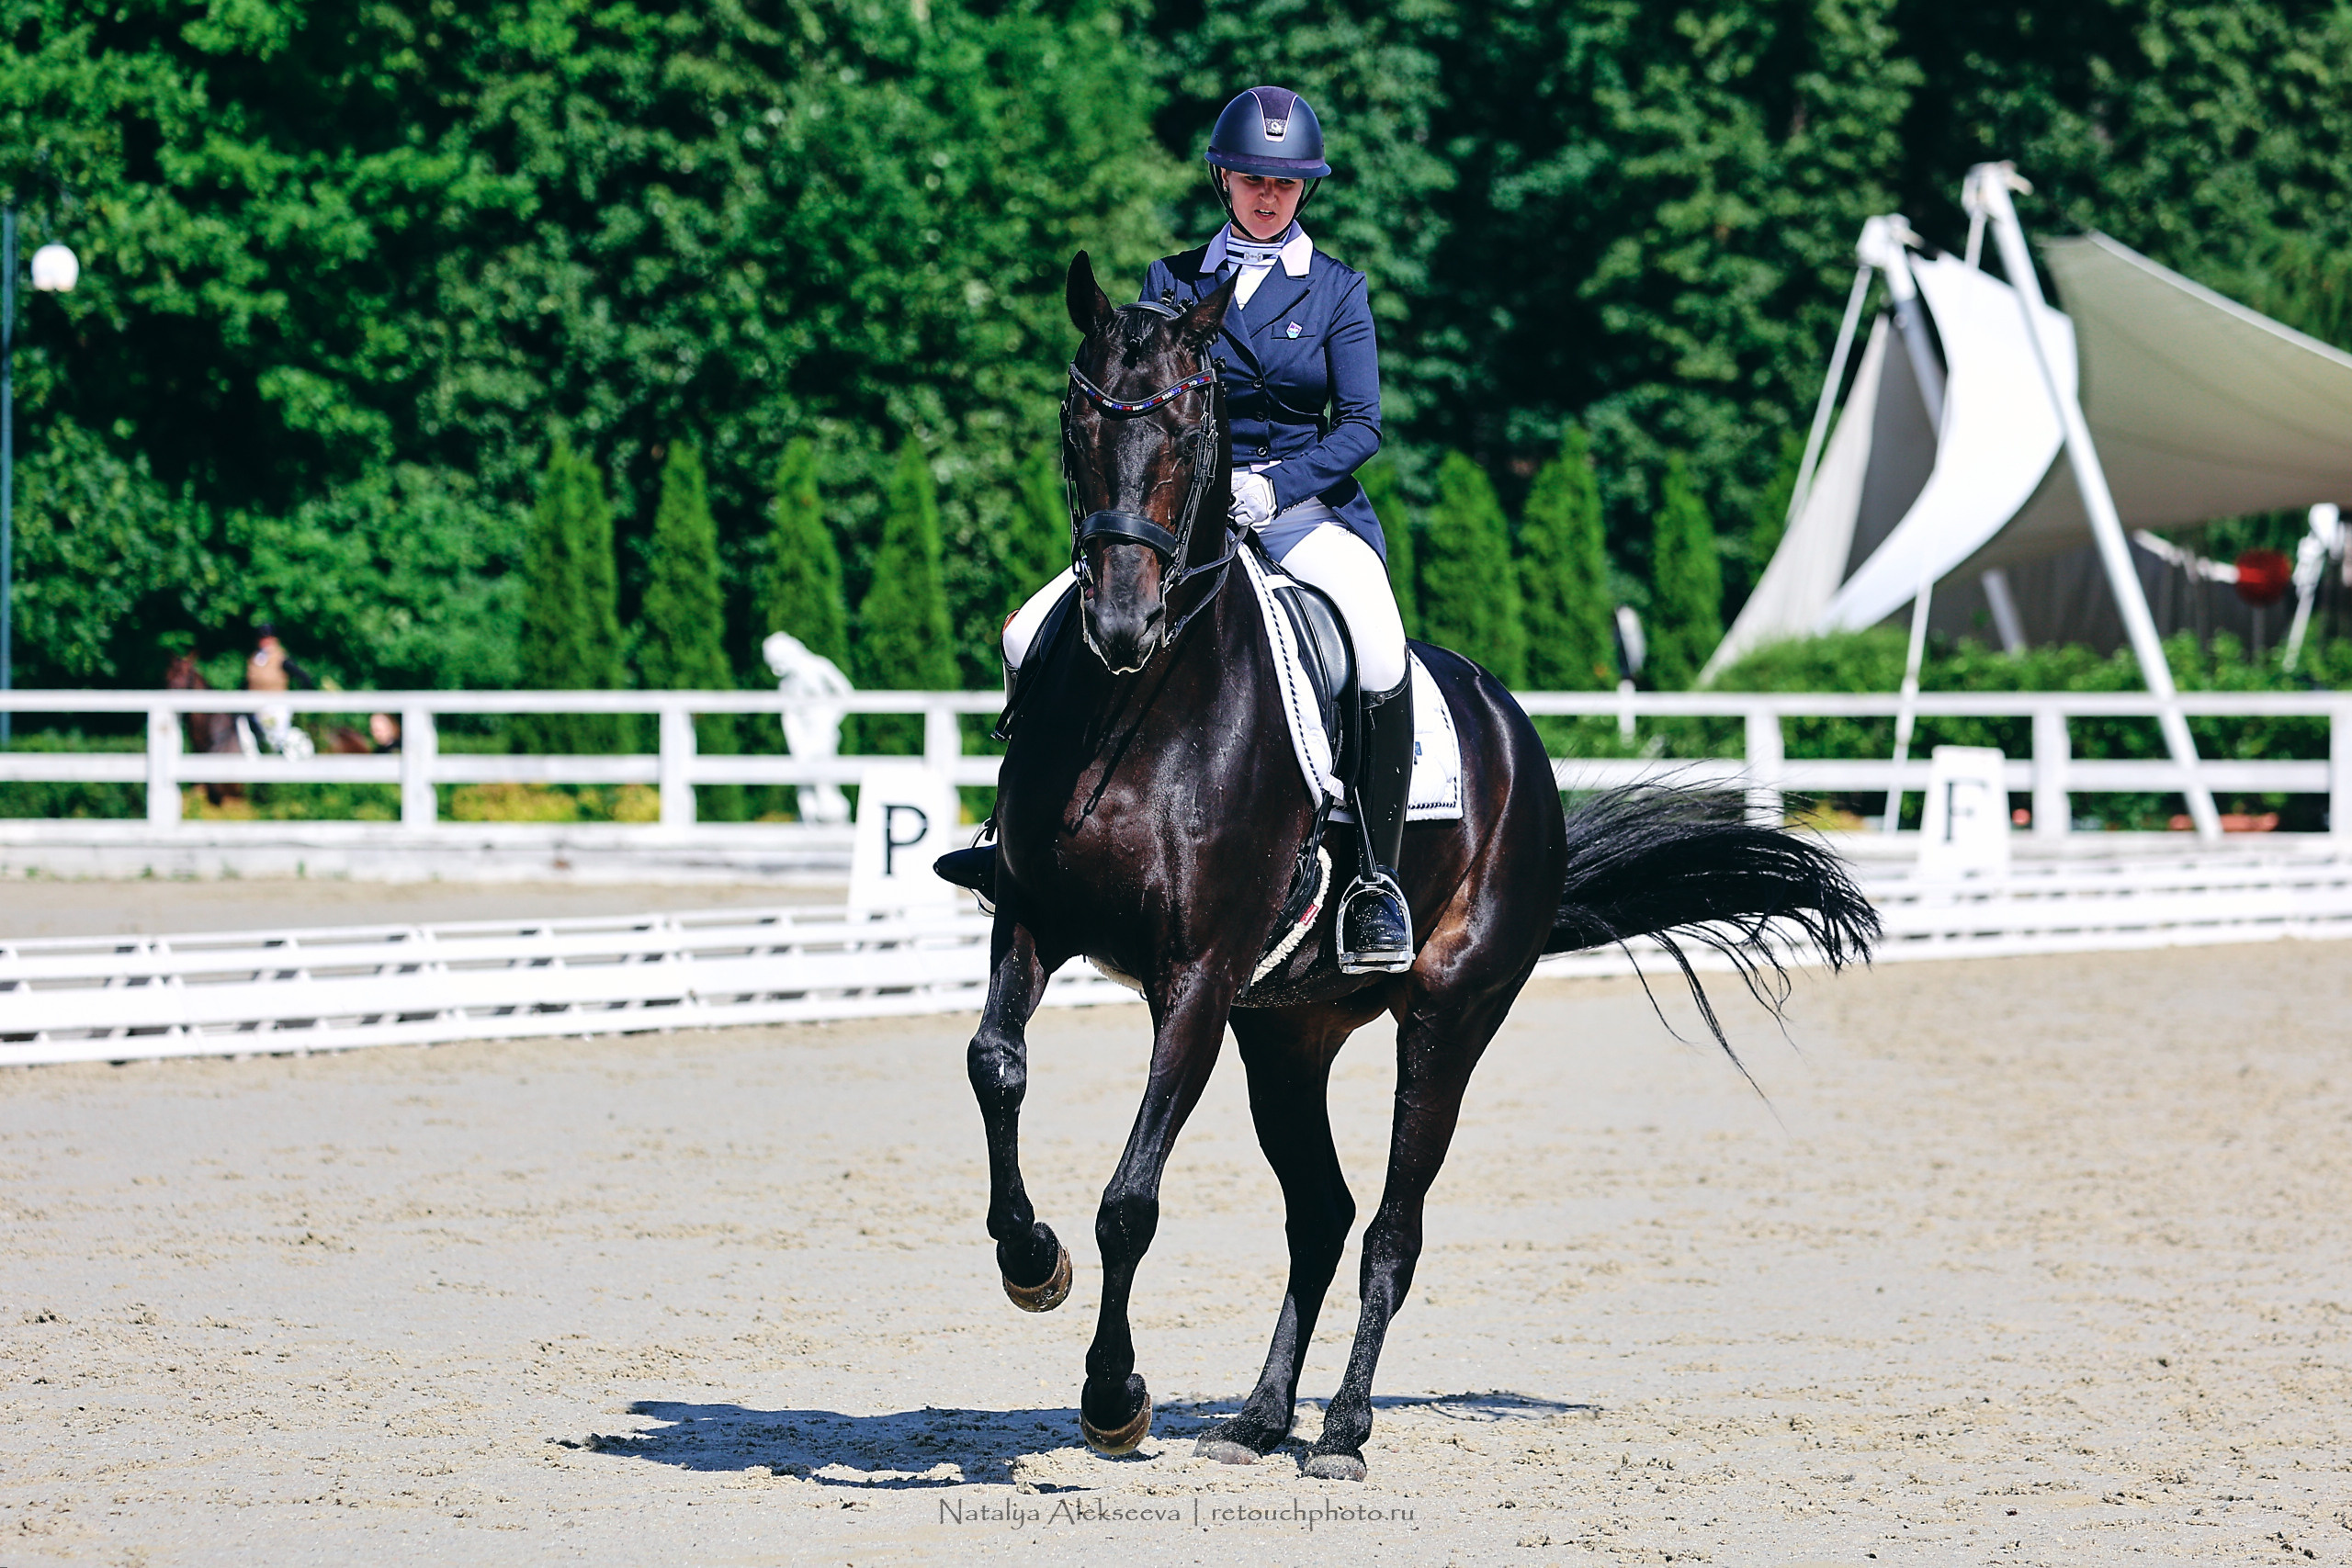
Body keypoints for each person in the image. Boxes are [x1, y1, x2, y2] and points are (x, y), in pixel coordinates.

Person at [995, 85, 1415, 972]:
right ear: (1224, 178)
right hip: (1181, 519)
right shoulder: (1171, 281)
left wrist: (1274, 487)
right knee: (1028, 630)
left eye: (1286, 183)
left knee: (1378, 646)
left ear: (1304, 189)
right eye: (1255, 180)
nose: (1270, 196)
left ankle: (1375, 877)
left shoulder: (1337, 290)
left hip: (1302, 514)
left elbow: (1361, 426)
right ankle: (1014, 830)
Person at [763, 630, 854, 825]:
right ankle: (809, 817)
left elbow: (846, 693)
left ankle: (834, 816)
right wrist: (794, 740)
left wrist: (830, 719)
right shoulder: (787, 682)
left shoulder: (819, 666)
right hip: (801, 734)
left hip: (822, 728)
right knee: (804, 779)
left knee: (824, 777)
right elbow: (789, 713)